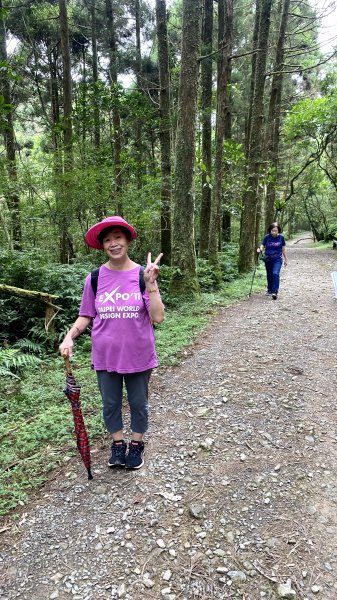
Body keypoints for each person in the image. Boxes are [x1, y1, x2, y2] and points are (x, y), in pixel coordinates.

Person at [59, 216, 165, 470]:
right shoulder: (95, 278)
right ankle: (118, 444)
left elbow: (158, 318)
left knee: (139, 403)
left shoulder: (142, 274)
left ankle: (137, 443)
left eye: (118, 237)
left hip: (138, 354)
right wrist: (69, 336)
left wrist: (151, 285)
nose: (113, 243)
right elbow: (86, 315)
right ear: (102, 245)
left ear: (127, 241)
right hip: (105, 355)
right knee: (110, 403)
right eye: (107, 240)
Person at [257, 222, 288, 300]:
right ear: (270, 231)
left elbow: (283, 248)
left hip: (277, 258)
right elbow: (262, 245)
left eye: (275, 230)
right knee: (269, 274)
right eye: (272, 230)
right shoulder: (267, 237)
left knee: (275, 273)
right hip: (268, 258)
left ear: (278, 231)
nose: (274, 232)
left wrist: (286, 259)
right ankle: (270, 289)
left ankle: (275, 291)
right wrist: (259, 249)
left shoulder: (281, 238)